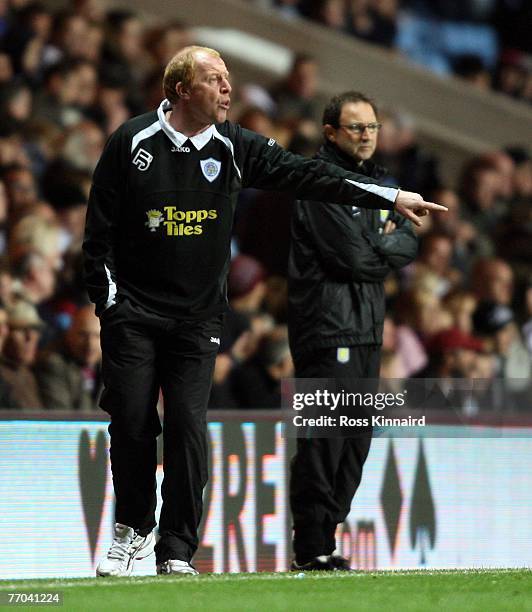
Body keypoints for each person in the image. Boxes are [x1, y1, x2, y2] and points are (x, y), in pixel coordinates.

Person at [83, 47, 444, 578]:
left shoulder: (235, 147)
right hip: (134, 312)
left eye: (228, 78)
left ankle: (176, 548)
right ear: (182, 90)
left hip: (198, 318)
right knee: (133, 421)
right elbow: (99, 233)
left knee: (187, 424)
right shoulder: (131, 142)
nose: (228, 88)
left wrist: (387, 198)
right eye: (214, 80)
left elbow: (307, 175)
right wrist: (108, 302)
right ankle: (133, 530)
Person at [287, 91, 419, 571]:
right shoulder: (320, 183)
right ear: (330, 133)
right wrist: (380, 242)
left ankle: (327, 532)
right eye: (355, 127)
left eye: (372, 127)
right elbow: (353, 258)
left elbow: (408, 242)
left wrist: (382, 243)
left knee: (357, 437)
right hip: (327, 328)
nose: (366, 136)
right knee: (326, 437)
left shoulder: (379, 187)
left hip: (364, 328)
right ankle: (312, 544)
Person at [35, 304, 102, 411]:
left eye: (97, 336)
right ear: (69, 334)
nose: (90, 344)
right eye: (83, 335)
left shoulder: (112, 367)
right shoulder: (52, 363)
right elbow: (61, 415)